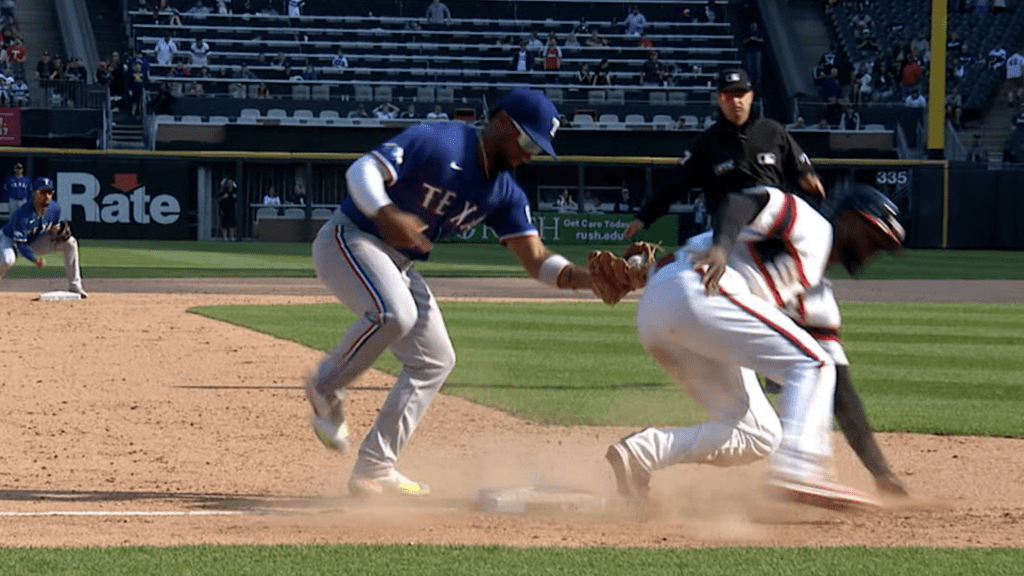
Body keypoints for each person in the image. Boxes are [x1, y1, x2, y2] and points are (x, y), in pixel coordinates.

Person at [305, 88, 593, 497]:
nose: (529, 155)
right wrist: (386, 212)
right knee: (396, 314)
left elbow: (536, 260)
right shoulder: (442, 140)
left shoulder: (505, 193)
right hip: (348, 239)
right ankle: (326, 386)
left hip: (397, 265)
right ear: (503, 123)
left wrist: (589, 280)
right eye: (528, 142)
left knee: (435, 360)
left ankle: (375, 469)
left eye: (539, 149)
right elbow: (361, 171)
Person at [606, 184, 906, 510]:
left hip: (665, 314)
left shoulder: (818, 298)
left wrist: (881, 472)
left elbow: (842, 393)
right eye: (874, 238)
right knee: (813, 363)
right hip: (698, 289)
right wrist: (721, 247)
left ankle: (642, 453)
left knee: (759, 434)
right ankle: (799, 469)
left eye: (882, 246)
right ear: (848, 220)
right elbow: (739, 199)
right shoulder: (812, 224)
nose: (873, 251)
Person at [623, 68, 825, 240]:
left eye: (741, 94)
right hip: (728, 235)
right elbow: (675, 184)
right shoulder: (708, 142)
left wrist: (806, 173)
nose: (736, 101)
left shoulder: (773, 132)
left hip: (769, 231)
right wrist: (644, 216)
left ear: (751, 96)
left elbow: (799, 163)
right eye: (729, 96)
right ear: (719, 99)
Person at [0, 177, 88, 298]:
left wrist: (57, 232)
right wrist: (35, 259)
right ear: (34, 194)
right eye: (42, 192)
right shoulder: (22, 215)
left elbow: (53, 228)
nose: (46, 196)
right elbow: (21, 245)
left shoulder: (55, 208)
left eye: (50, 192)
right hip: (11, 241)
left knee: (70, 243)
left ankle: (75, 287)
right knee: (7, 260)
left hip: (33, 241)